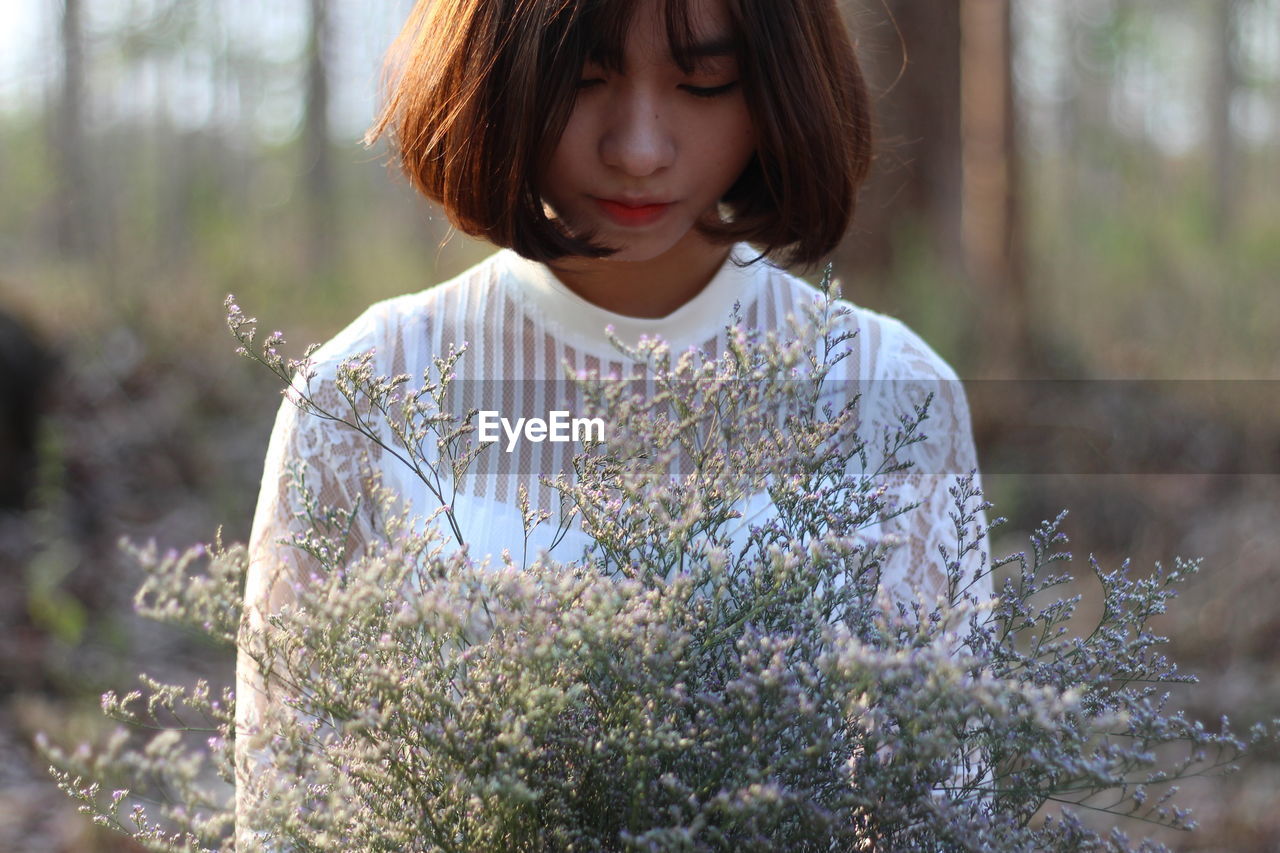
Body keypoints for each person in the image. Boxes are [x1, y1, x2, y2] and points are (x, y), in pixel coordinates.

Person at [235, 0, 991, 846]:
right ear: (495, 72)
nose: (638, 148)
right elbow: (286, 801)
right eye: (583, 79)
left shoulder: (888, 393)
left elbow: (939, 804)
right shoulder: (368, 390)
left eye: (705, 83)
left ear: (778, 84)